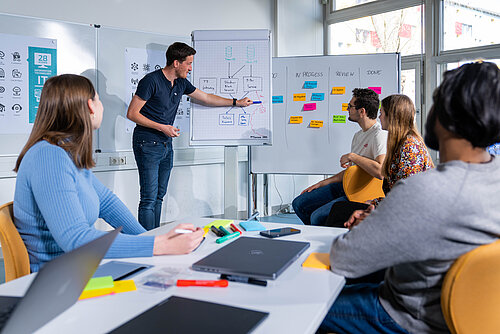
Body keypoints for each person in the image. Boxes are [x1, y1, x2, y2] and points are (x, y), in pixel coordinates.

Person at [319, 61, 500, 334]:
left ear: (444, 116)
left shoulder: (428, 188)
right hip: (470, 315)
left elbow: (345, 259)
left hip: (409, 314)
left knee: (308, 302)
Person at [13, 74, 204, 272]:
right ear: (90, 106)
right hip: (59, 281)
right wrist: (159, 246)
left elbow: (106, 203)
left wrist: (150, 239)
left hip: (79, 269)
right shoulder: (49, 157)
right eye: (99, 99)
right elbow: (76, 239)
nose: (101, 106)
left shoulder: (67, 154)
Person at [127, 42, 253, 230]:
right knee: (148, 198)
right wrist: (162, 127)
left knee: (159, 196)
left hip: (165, 144)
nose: (191, 68)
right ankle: (145, 241)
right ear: (176, 63)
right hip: (147, 143)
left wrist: (236, 102)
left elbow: (207, 98)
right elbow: (132, 114)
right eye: (188, 63)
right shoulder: (150, 81)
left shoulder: (181, 82)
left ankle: (155, 237)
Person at [325, 94, 434, 228]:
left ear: (392, 116)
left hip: (407, 215)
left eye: (382, 113)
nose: (379, 117)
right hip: (395, 206)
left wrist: (375, 204)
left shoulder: (409, 148)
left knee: (338, 212)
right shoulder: (401, 143)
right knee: (338, 209)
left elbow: (407, 198)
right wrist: (375, 202)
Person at [292, 88, 387, 226]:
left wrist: (352, 156)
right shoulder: (358, 135)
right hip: (346, 185)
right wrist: (321, 183)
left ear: (362, 111)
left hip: (360, 193)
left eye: (350, 107)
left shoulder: (379, 135)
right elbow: (353, 171)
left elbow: (380, 172)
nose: (347, 109)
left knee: (317, 217)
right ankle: (320, 230)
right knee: (300, 203)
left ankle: (325, 236)